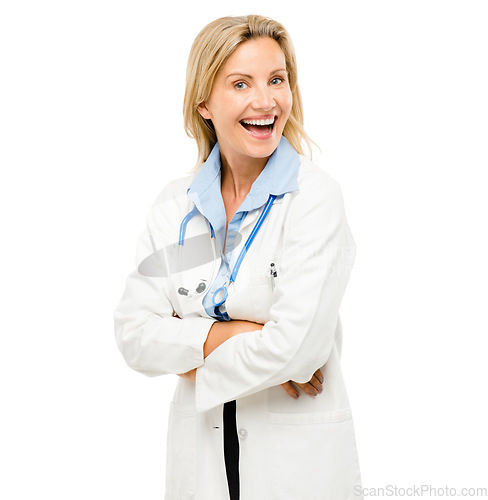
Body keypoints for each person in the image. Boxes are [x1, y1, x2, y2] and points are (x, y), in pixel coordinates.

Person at [114, 14, 363, 500]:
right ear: (204, 102)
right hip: (201, 461)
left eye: (276, 80)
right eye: (241, 83)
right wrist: (237, 334)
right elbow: (133, 333)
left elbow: (298, 349)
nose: (265, 101)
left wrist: (187, 345)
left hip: (297, 467)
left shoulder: (313, 199)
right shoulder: (176, 205)